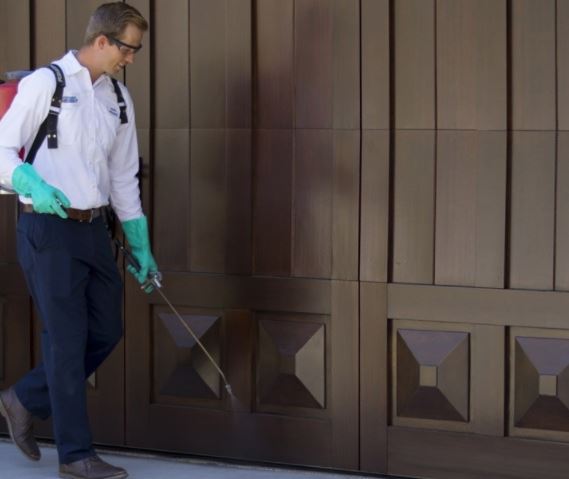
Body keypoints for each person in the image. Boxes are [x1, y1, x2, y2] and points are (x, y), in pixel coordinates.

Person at [0, 3, 156, 478]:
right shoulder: (46, 84)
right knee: (67, 341)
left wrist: (139, 240)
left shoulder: (118, 99)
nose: (131, 58)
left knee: (106, 329)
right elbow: (1, 149)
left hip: (93, 230)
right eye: (128, 48)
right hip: (47, 228)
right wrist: (30, 181)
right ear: (102, 41)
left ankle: (23, 398)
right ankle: (75, 455)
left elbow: (124, 175)